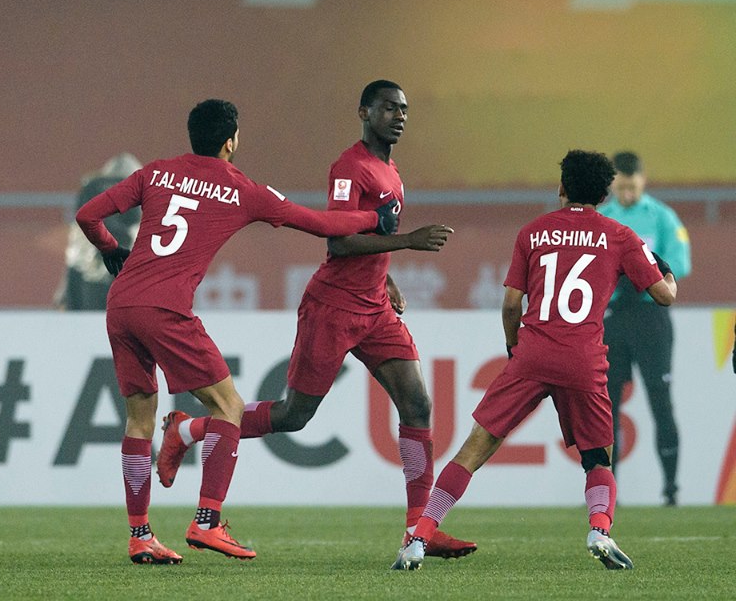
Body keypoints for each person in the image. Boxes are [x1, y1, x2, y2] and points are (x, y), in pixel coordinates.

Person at [155, 80, 477, 567]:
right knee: (294, 415)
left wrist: (385, 282)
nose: (399, 115)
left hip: (374, 308)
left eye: (404, 108)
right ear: (364, 112)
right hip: (332, 309)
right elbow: (340, 243)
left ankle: (420, 527)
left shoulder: (390, 169)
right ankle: (188, 431)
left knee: (417, 403)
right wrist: (408, 241)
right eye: (388, 107)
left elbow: (370, 243)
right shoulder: (349, 167)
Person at [74, 98, 401, 565]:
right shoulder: (240, 188)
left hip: (121, 304)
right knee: (227, 404)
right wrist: (375, 219)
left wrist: (109, 248)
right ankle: (207, 522)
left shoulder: (156, 172)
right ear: (231, 141)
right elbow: (320, 224)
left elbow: (88, 214)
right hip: (165, 308)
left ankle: (140, 535)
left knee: (139, 418)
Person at [393, 149, 677, 571]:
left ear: (561, 188)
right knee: (599, 457)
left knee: (474, 448)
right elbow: (663, 296)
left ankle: (419, 538)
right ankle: (599, 530)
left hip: (533, 353)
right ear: (603, 194)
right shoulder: (619, 236)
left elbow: (511, 305)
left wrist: (515, 349)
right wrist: (663, 269)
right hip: (583, 357)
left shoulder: (533, 232)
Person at [597, 151, 691, 506]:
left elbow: (681, 262)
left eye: (632, 187)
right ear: (614, 185)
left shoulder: (663, 217)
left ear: (643, 181)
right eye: (621, 188)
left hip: (651, 318)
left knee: (660, 401)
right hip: (613, 318)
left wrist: (638, 278)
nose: (627, 194)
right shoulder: (603, 217)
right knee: (607, 406)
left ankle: (670, 489)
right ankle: (607, 493)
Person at [53, 153, 142, 310]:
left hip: (91, 274)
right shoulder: (140, 191)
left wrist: (66, 289)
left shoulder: (91, 190)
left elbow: (77, 248)